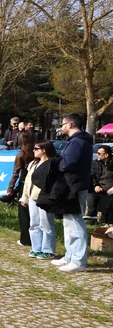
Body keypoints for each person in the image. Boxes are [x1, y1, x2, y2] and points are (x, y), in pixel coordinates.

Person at [51, 113, 94, 272]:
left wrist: (56, 164)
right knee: (68, 222)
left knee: (75, 223)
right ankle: (70, 255)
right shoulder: (77, 141)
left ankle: (78, 261)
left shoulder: (77, 142)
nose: (61, 127)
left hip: (74, 185)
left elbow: (68, 163)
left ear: (70, 125)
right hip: (72, 184)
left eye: (62, 124)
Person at [21, 141, 57, 260]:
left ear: (44, 150)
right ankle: (36, 248)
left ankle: (48, 250)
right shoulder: (33, 163)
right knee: (34, 224)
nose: (34, 151)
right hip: (32, 197)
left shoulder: (52, 163)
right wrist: (25, 197)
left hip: (44, 198)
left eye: (36, 149)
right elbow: (27, 181)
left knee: (46, 224)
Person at [7, 131, 36, 248]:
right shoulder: (37, 152)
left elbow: (16, 173)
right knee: (34, 214)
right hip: (37, 185)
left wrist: (10, 188)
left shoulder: (21, 155)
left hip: (25, 185)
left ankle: (25, 239)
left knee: (23, 214)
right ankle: (35, 239)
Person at [85, 145, 113, 225]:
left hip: (109, 189)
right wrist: (95, 185)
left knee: (108, 201)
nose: (97, 155)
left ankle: (106, 221)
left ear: (106, 155)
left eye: (99, 153)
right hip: (98, 188)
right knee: (91, 197)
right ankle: (91, 219)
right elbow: (92, 176)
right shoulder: (95, 163)